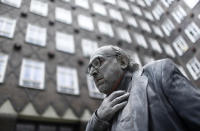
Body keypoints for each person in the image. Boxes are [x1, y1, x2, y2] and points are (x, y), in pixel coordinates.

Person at [85, 45, 200, 131]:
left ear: (122, 61)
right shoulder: (104, 115)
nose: (93, 72)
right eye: (90, 69)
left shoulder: (159, 73)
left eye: (97, 63)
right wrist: (98, 119)